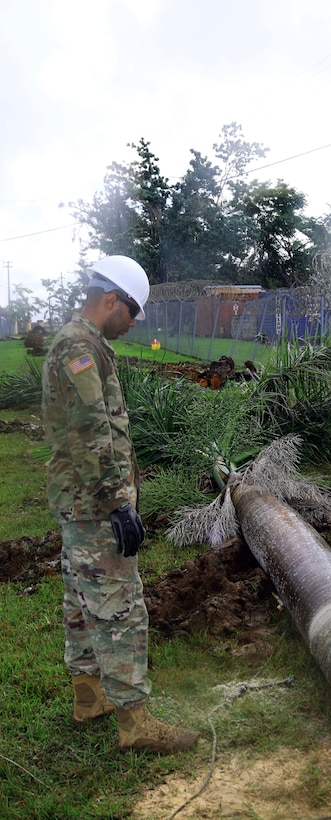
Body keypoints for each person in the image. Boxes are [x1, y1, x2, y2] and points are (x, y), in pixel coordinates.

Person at [42, 255, 198, 753]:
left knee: (81, 602)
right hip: (94, 504)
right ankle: (135, 724)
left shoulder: (83, 343)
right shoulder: (79, 347)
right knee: (120, 609)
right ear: (110, 300)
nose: (132, 325)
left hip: (80, 500)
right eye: (130, 313)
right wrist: (117, 502)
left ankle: (89, 698)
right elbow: (92, 428)